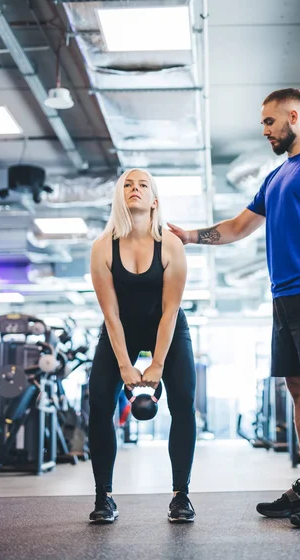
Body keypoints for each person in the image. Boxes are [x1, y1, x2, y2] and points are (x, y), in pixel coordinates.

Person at [168, 88, 300, 529]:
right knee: (298, 386)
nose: (265, 131)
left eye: (270, 123)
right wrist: (191, 236)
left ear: (293, 116)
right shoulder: (276, 177)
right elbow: (239, 226)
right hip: (284, 295)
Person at [89, 168, 196, 524]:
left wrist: (157, 365)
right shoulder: (104, 247)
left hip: (166, 326)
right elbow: (110, 314)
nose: (135, 189)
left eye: (143, 185)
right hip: (121, 329)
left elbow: (170, 311)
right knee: (99, 401)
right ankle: (103, 497)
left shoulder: (171, 244)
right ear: (120, 196)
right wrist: (124, 365)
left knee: (183, 402)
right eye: (128, 185)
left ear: (154, 201)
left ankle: (181, 495)